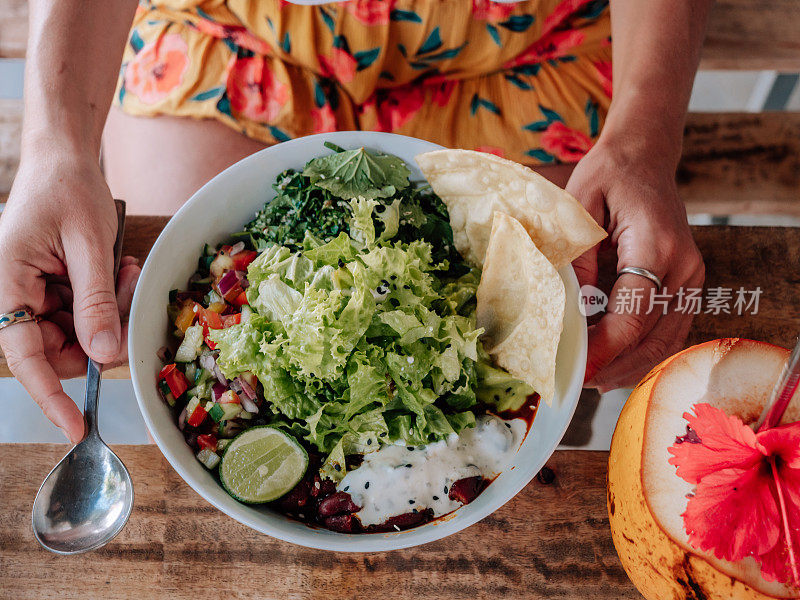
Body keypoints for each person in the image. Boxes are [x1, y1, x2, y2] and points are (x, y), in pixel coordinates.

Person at [0, 0, 707, 443]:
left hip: (517, 41)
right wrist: (56, 146)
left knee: (555, 359)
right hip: (241, 25)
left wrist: (644, 137)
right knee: (157, 313)